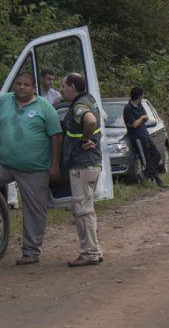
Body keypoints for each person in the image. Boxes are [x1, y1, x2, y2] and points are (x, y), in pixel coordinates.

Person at [0, 72, 62, 265]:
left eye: (26, 85)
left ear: (33, 88)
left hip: (35, 168)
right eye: (18, 84)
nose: (21, 87)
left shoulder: (45, 107)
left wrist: (54, 165)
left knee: (34, 210)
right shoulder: (4, 101)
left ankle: (31, 252)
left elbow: (56, 136)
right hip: (5, 163)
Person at [59, 72, 104, 267]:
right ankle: (95, 250)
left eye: (63, 86)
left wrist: (84, 139)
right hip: (90, 163)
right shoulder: (89, 99)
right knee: (87, 208)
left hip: (82, 165)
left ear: (72, 87)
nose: (61, 89)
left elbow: (91, 121)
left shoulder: (79, 106)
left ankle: (89, 253)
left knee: (83, 210)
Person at [124, 87, 167, 188]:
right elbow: (134, 124)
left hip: (145, 135)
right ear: (140, 96)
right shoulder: (128, 108)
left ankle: (147, 174)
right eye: (142, 95)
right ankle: (155, 179)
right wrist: (142, 118)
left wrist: (142, 118)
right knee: (146, 160)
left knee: (156, 156)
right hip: (137, 137)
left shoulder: (139, 106)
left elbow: (146, 117)